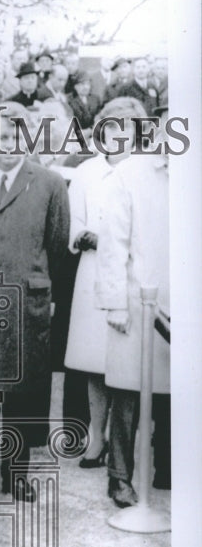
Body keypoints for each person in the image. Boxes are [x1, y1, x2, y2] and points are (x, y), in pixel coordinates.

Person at [0, 102, 70, 502]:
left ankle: (18, 473)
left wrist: (33, 280)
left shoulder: (50, 184)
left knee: (21, 393)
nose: (8, 145)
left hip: (26, 304)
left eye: (16, 137)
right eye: (1, 136)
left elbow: (55, 245)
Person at [94, 105, 171, 506]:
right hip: (136, 303)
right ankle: (119, 477)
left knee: (176, 390)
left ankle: (169, 470)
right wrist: (115, 305)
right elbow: (112, 246)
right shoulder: (130, 174)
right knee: (127, 394)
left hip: (180, 307)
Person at [63, 99, 143, 470]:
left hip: (132, 273)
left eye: (124, 127)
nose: (116, 135)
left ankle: (125, 440)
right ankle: (97, 436)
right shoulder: (86, 172)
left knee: (126, 358)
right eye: (108, 127)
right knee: (94, 360)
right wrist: (91, 237)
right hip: (92, 271)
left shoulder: (145, 172)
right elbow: (73, 224)